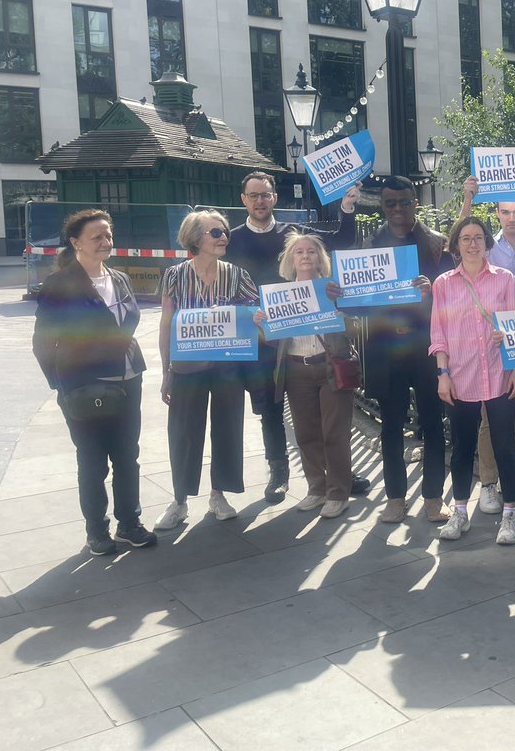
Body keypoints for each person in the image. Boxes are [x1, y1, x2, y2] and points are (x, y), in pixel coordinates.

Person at [225, 171, 363, 504]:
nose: (260, 200)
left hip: (311, 343)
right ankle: (280, 472)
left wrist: (346, 207)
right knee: (273, 409)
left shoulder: (293, 233)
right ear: (244, 199)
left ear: (274, 198)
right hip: (264, 336)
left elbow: (339, 240)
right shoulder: (231, 239)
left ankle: (337, 479)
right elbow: (223, 287)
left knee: (329, 423)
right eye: (253, 195)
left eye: (266, 194)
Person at [32, 210, 156, 555]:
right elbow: (43, 342)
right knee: (92, 460)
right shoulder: (61, 284)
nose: (105, 242)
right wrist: (63, 387)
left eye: (108, 235)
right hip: (86, 386)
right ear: (76, 243)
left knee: (127, 456)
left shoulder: (120, 278)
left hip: (129, 379)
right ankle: (96, 531)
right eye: (97, 237)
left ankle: (129, 523)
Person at [155, 209, 259, 531]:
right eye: (216, 232)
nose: (224, 236)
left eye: (225, 231)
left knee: (228, 428)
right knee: (184, 432)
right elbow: (166, 325)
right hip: (187, 366)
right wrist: (165, 371)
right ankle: (179, 500)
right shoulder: (174, 275)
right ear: (196, 238)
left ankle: (219, 494)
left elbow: (256, 312)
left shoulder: (237, 274)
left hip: (227, 365)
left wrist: (252, 316)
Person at [362, 176, 453, 525]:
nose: (397, 209)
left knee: (432, 423)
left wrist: (433, 292)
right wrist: (344, 298)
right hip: (387, 349)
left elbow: (452, 297)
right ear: (382, 206)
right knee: (391, 426)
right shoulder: (370, 245)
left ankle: (433, 497)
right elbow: (359, 306)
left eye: (403, 202)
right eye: (390, 203)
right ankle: (395, 498)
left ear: (414, 202)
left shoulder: (435, 244)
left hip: (427, 346)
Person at [429, 217, 515, 544]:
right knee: (462, 448)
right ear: (455, 244)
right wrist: (443, 374)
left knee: (504, 446)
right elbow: (438, 333)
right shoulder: (443, 284)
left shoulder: (505, 280)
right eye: (465, 238)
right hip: (461, 376)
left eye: (478, 237)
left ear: (487, 242)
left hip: (498, 374)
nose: (472, 244)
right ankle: (459, 512)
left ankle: (511, 515)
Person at [256, 234, 356, 519]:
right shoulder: (280, 296)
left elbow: (354, 328)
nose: (305, 256)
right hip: (296, 369)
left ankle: (339, 493)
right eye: (299, 252)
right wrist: (262, 323)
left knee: (334, 433)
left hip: (329, 365)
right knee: (306, 434)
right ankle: (317, 488)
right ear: (290, 259)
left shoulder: (333, 289)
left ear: (319, 257)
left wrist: (340, 305)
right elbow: (272, 341)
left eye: (311, 251)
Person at [460, 177, 515, 515]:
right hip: (487, 344)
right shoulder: (484, 245)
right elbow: (459, 240)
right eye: (506, 211)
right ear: (496, 212)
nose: (512, 217)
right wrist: (468, 197)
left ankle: (510, 474)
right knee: (485, 420)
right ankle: (489, 483)